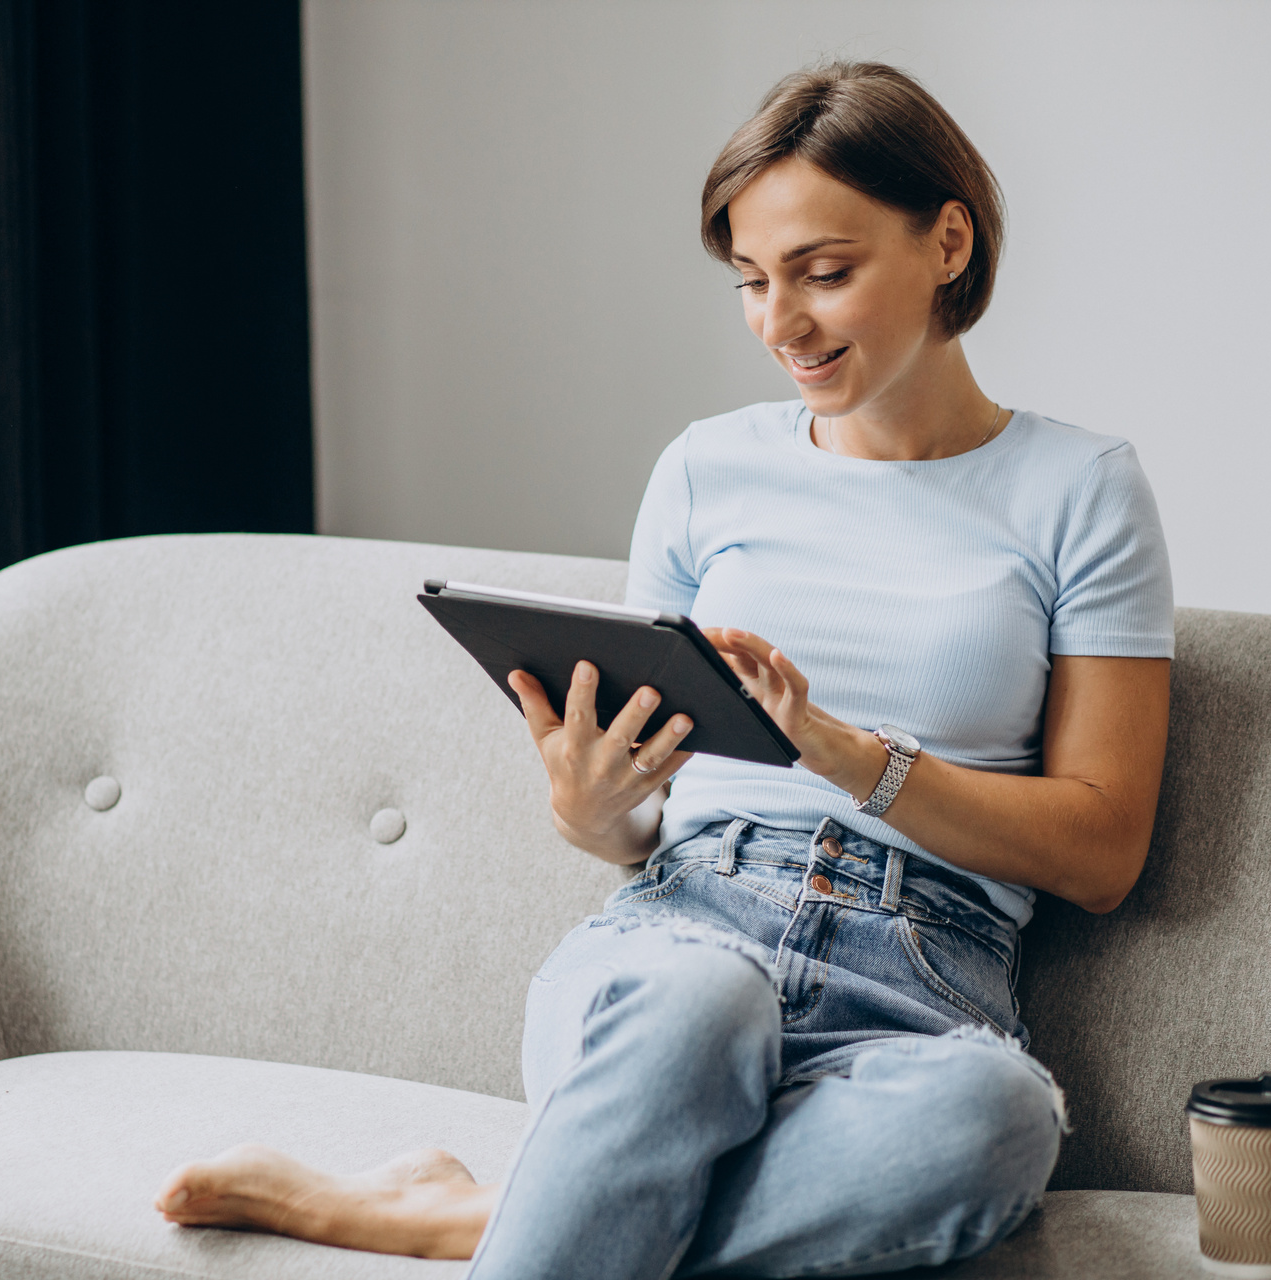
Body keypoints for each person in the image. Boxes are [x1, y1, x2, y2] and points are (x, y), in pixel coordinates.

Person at [153, 60, 1173, 1277]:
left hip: (923, 974)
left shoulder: (1082, 489)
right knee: (706, 1007)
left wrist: (847, 754)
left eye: (825, 272)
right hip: (687, 933)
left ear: (947, 240)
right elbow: (642, 814)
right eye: (752, 281)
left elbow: (1103, 851)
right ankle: (558, 1198)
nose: (780, 324)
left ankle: (466, 1216)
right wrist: (595, 807)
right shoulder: (705, 468)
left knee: (998, 1119)